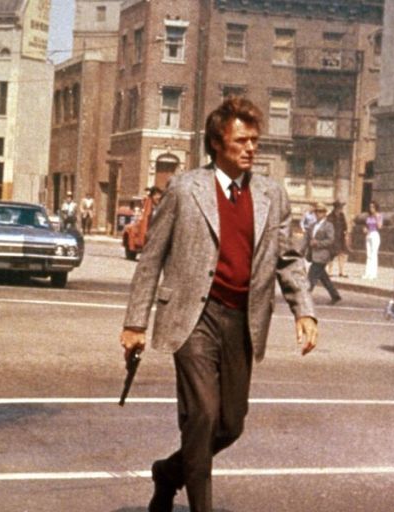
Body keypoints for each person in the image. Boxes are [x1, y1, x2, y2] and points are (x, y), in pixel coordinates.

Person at [120, 96, 319, 512]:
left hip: (242, 320)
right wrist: (135, 323)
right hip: (194, 317)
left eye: (255, 141)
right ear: (216, 142)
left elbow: (287, 258)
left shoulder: (271, 194)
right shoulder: (185, 188)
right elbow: (152, 257)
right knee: (203, 416)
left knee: (230, 424)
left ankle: (168, 473)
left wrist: (304, 310)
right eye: (241, 140)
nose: (251, 148)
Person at [305, 203, 342, 305]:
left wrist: (318, 243)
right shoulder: (313, 225)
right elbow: (307, 239)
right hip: (313, 254)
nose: (318, 214)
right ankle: (335, 295)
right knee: (323, 277)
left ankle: (304, 297)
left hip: (322, 255)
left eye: (321, 211)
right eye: (317, 211)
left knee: (311, 276)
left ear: (325, 213)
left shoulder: (328, 225)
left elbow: (330, 240)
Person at [328, 201, 350, 277]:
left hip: (341, 237)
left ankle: (341, 271)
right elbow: (328, 228)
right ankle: (330, 271)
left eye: (341, 208)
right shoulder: (330, 216)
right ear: (336, 208)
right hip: (333, 238)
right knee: (331, 255)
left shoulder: (342, 216)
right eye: (340, 208)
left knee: (341, 254)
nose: (341, 209)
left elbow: (345, 226)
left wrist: (346, 234)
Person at [362, 201, 383, 280]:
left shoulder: (379, 215)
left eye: (373, 207)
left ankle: (373, 274)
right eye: (370, 207)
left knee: (374, 254)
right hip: (368, 235)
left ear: (376, 207)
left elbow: (380, 226)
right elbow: (366, 226)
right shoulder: (369, 216)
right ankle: (367, 273)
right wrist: (365, 229)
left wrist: (376, 218)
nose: (371, 209)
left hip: (375, 234)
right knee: (368, 255)